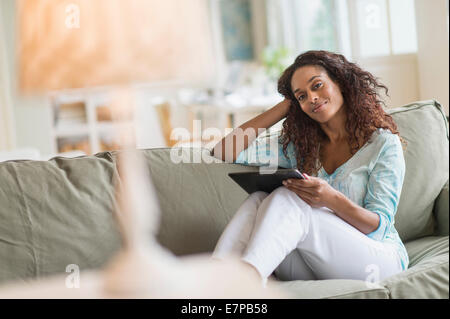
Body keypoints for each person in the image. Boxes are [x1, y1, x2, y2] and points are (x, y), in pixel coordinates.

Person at [210, 50, 409, 286]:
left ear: (340, 82)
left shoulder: (383, 144)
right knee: (259, 198)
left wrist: (329, 198)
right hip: (319, 263)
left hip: (377, 261)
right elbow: (224, 150)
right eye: (302, 96)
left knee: (288, 197)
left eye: (317, 86)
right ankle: (215, 281)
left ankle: (246, 283)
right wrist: (284, 107)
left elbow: (377, 228)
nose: (312, 98)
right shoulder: (301, 147)